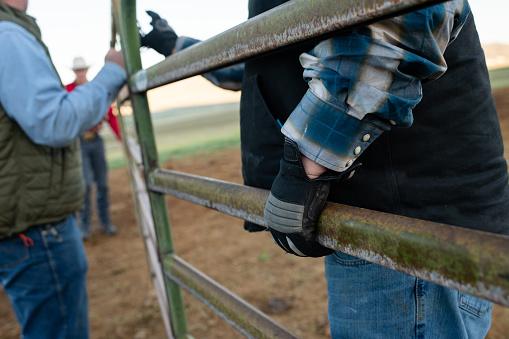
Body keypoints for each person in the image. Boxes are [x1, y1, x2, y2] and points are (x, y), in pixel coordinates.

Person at [141, 0, 509, 337]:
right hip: (377, 212)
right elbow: (265, 63)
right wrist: (176, 45)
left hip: (406, 223)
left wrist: (304, 167)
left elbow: (396, 26)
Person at [0, 0, 126, 338]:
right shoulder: (8, 35)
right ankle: (88, 224)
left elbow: (106, 118)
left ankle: (101, 222)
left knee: (100, 185)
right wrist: (112, 74)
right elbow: (55, 120)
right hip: (37, 228)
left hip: (22, 218)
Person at [66, 56, 121, 240]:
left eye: (82, 70)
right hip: (79, 142)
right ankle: (85, 226)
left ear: (86, 71)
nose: (80, 73)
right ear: (74, 73)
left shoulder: (95, 91)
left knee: (103, 184)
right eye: (77, 70)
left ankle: (106, 222)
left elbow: (110, 116)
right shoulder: (68, 91)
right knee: (86, 184)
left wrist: (121, 139)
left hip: (96, 140)